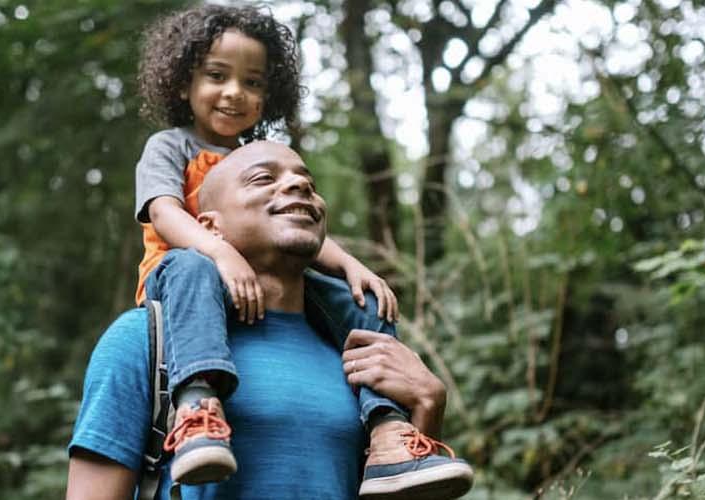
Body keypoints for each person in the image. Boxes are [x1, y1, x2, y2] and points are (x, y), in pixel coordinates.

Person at [128, 5, 470, 497]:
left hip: (263, 283)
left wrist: (352, 266)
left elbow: (297, 231)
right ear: (183, 84)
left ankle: (388, 433)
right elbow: (164, 214)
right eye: (217, 76)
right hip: (185, 279)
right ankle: (198, 407)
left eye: (252, 83)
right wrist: (220, 253)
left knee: (362, 302)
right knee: (190, 266)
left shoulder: (264, 153)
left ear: (268, 96)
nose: (234, 93)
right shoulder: (170, 147)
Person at [69, 142, 472, 499]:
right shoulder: (143, 340)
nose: (299, 186)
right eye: (263, 178)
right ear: (210, 226)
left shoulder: (362, 351)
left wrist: (427, 409)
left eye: (308, 183)